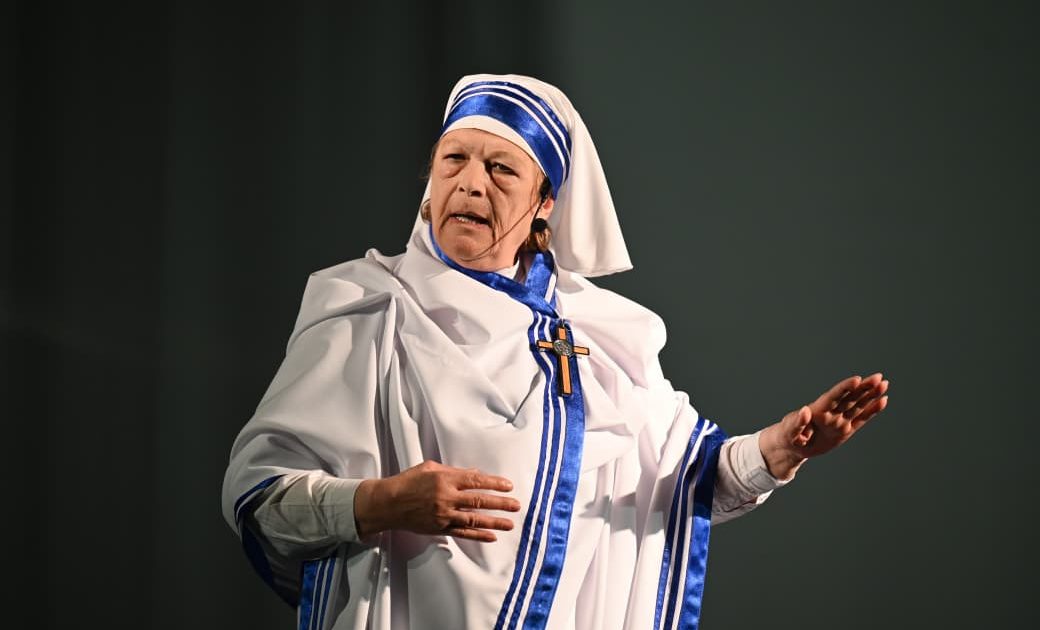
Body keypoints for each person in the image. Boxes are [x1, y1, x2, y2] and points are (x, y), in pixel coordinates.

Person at [221, 74, 889, 630]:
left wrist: (781, 449)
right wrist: (381, 502)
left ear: (545, 204)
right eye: (454, 160)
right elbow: (260, 496)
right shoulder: (367, 307)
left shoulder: (603, 332)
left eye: (500, 168)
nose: (471, 184)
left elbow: (685, 480)